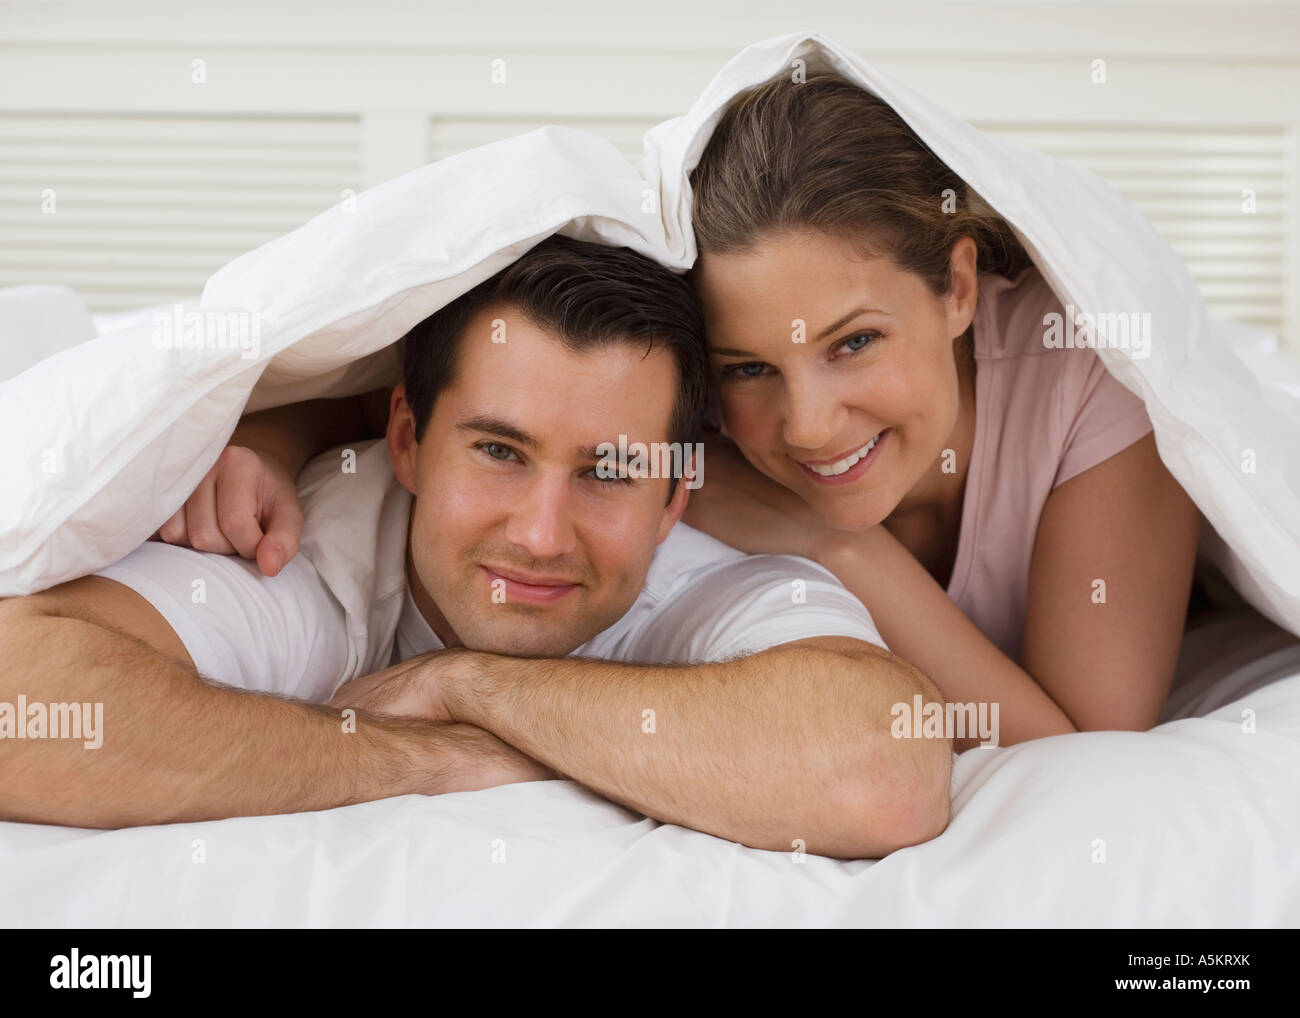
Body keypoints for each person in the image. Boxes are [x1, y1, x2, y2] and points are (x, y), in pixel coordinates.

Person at [0, 235, 951, 860]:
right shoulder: (308, 549)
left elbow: (883, 768)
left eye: (610, 471)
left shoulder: (713, 586)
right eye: (499, 452)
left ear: (673, 502)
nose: (541, 535)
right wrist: (426, 759)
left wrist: (470, 688)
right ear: (406, 442)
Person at [680, 72, 1202, 750]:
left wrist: (838, 546)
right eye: (749, 368)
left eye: (854, 342)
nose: (807, 426)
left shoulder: (1088, 363)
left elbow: (1083, 754)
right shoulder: (693, 435)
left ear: (957, 288)